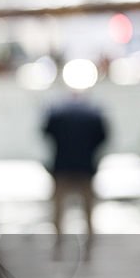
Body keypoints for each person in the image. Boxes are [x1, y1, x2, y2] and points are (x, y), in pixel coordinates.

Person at [43, 93, 108, 253]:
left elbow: (47, 133)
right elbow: (103, 137)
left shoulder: (58, 114)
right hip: (84, 166)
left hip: (63, 167)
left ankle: (59, 243)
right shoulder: (92, 115)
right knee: (87, 209)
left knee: (59, 209)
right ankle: (88, 244)